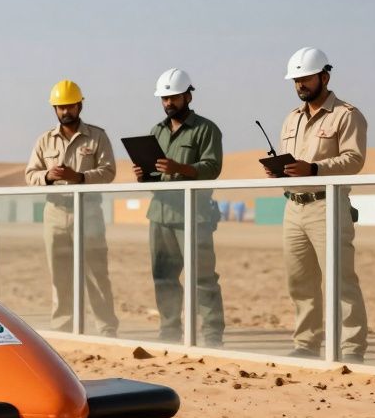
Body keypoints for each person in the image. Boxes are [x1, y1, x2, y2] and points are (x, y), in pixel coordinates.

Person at [264, 47, 368, 362]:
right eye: (296, 80)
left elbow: (354, 159)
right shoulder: (290, 120)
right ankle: (306, 344)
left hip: (328, 206)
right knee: (299, 281)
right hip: (293, 207)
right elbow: (293, 162)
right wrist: (278, 170)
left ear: (324, 76)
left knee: (341, 280)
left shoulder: (347, 115)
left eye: (306, 78)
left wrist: (316, 169)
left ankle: (351, 349)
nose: (300, 85)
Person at [132, 69, 225, 346]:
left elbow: (212, 168)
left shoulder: (206, 129)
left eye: (173, 97)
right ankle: (169, 332)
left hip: (193, 216)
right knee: (163, 277)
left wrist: (179, 168)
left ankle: (212, 335)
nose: (168, 103)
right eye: (164, 98)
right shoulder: (156, 131)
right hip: (160, 214)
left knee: (203, 277)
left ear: (187, 95)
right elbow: (155, 178)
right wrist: (143, 175)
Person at [24, 80, 120, 337]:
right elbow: (30, 174)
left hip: (88, 212)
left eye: (70, 106)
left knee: (96, 273)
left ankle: (107, 328)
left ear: (79, 105)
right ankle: (63, 328)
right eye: (60, 107)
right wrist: (48, 176)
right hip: (55, 212)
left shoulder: (97, 136)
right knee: (60, 276)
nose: (65, 112)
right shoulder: (44, 141)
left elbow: (108, 171)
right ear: (54, 109)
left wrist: (80, 177)